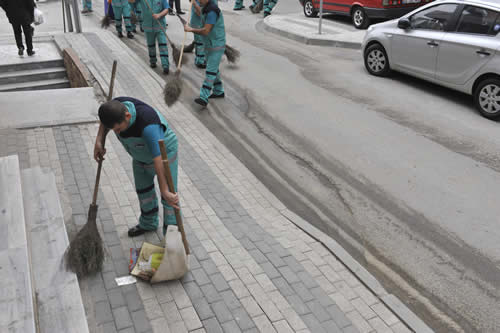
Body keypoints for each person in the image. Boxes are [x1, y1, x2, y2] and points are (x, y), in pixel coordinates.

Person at [94, 97, 180, 237]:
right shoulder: (114, 108)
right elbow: (105, 123)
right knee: (143, 191)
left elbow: (157, 158)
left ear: (128, 116)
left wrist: (164, 189)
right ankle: (148, 223)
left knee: (169, 198)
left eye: (118, 128)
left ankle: (172, 237)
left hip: (164, 155)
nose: (117, 132)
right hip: (140, 155)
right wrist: (98, 141)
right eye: (113, 130)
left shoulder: (148, 124)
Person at [184, 0, 225, 107]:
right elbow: (199, 11)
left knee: (210, 71)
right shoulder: (206, 8)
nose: (198, 1)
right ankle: (218, 91)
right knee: (213, 69)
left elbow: (206, 31)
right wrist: (193, 3)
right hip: (209, 44)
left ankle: (203, 97)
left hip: (216, 45)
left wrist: (190, 29)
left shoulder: (212, 11)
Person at [139, 0, 170, 74]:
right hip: (148, 26)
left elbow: (167, 9)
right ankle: (153, 61)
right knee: (151, 45)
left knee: (163, 45)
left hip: (160, 26)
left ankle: (165, 65)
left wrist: (159, 15)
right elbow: (131, 1)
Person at [190, 0, 206, 69]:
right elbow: (200, 12)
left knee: (198, 42)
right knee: (200, 42)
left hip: (199, 23)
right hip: (198, 23)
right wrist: (194, 4)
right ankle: (200, 61)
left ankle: (198, 58)